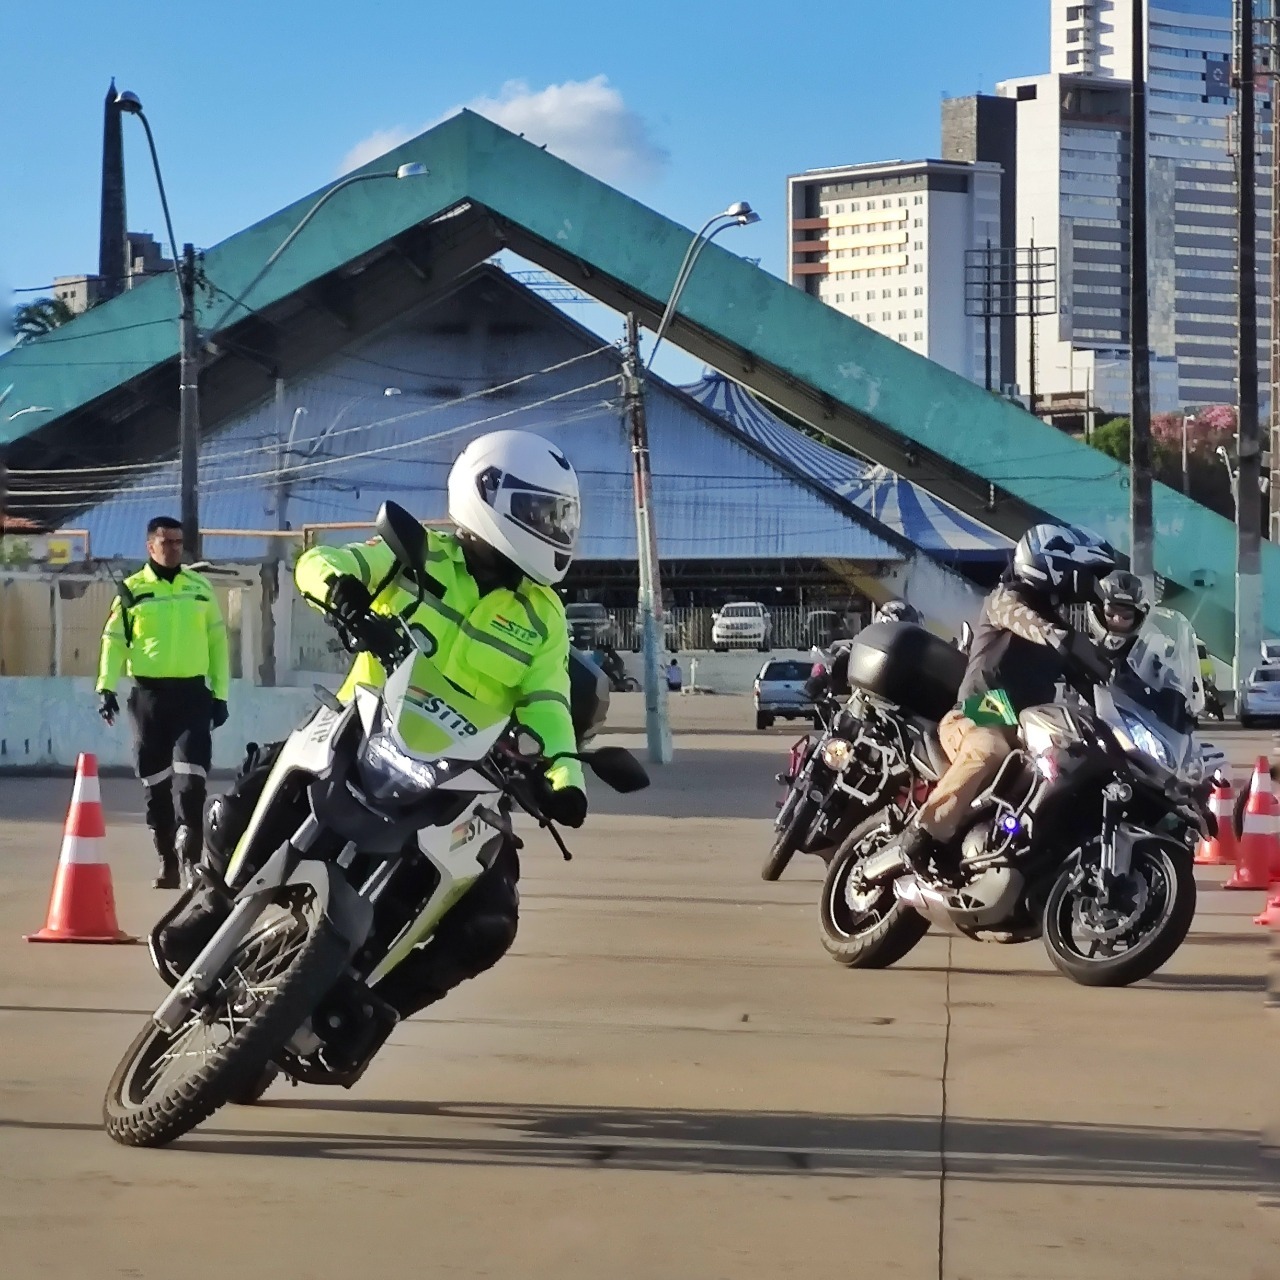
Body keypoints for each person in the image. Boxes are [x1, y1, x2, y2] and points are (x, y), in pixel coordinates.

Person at [163, 431, 587, 1020]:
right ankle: (211, 900)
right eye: (540, 512)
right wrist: (342, 592)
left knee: (490, 919)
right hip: (361, 728)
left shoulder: (544, 615)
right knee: (242, 803)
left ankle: (371, 1006)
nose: (553, 528)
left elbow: (549, 703)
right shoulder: (419, 552)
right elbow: (323, 562)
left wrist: (565, 777)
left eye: (560, 516)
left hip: (459, 780)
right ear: (488, 494)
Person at [879, 524, 1116, 878]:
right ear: (1050, 563)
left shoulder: (1060, 629)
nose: (1089, 583)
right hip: (976, 709)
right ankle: (922, 832)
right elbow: (1023, 619)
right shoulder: (1006, 598)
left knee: (1072, 767)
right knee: (990, 748)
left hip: (1023, 726)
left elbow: (1095, 682)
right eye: (1083, 572)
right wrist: (1057, 636)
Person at [95, 516, 230, 889]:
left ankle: (191, 863)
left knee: (192, 783)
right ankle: (167, 860)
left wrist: (220, 695)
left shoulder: (200, 588)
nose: (173, 548)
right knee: (155, 785)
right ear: (150, 546)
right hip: (148, 698)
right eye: (165, 542)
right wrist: (105, 688)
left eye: (178, 542)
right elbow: (114, 642)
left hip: (193, 696)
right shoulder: (131, 591)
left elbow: (218, 644)